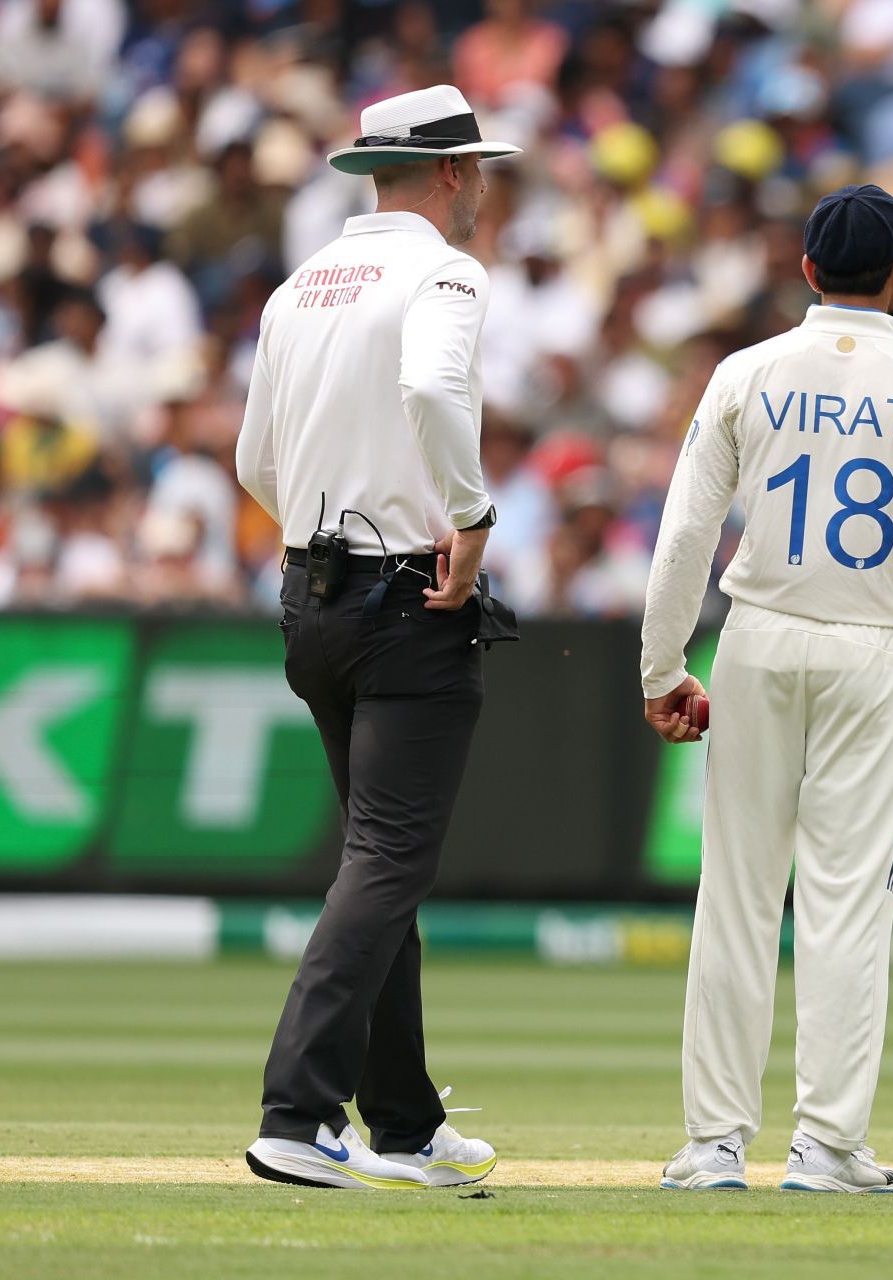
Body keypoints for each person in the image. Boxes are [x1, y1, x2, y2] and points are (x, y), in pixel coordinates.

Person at [639, 184, 893, 1195]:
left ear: (805, 271)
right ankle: (828, 1144)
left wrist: (660, 669)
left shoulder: (746, 372)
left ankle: (715, 1144)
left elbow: (684, 538)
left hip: (757, 638)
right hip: (875, 648)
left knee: (739, 895)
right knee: (846, 903)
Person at [234, 84, 521, 1192]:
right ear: (450, 174)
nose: (485, 186)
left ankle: (402, 1119)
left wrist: (323, 533)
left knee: (377, 863)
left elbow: (258, 461)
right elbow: (435, 381)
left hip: (311, 595)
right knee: (389, 859)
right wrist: (471, 514)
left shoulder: (301, 284)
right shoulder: (447, 271)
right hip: (410, 599)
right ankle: (297, 1110)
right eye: (479, 168)